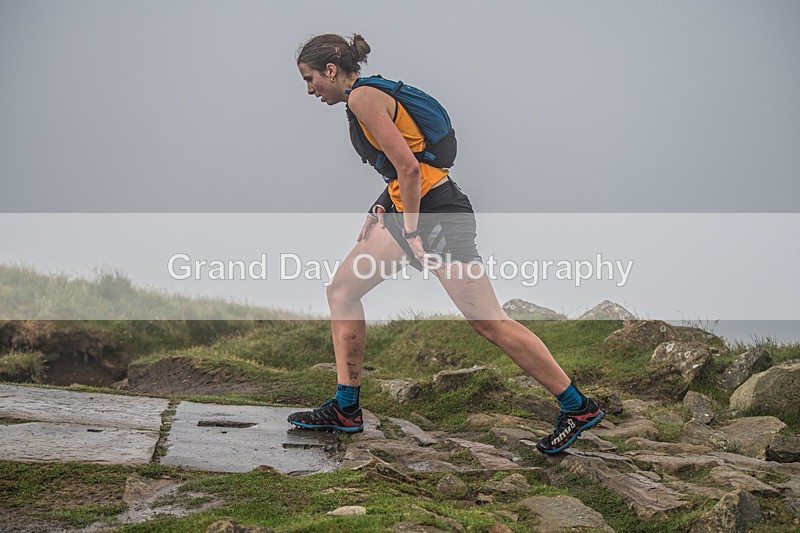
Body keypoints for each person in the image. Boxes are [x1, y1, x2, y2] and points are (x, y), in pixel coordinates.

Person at [288, 33, 604, 454]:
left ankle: (577, 406)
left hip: (436, 213)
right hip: (411, 209)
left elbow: (411, 169)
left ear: (330, 70)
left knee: (488, 321)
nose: (311, 90)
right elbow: (408, 165)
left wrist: (414, 231)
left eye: (311, 79)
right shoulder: (365, 97)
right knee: (342, 291)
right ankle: (346, 409)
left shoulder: (364, 97)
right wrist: (382, 204)